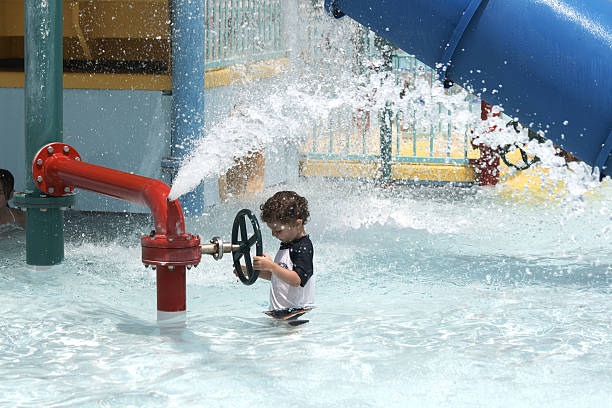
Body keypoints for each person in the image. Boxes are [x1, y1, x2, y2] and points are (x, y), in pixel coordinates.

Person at [235, 191, 315, 311]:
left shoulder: (303, 248)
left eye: (278, 231)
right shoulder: (287, 244)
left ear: (297, 224)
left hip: (296, 314)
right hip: (282, 313)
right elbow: (279, 278)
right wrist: (251, 272)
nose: (273, 234)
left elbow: (296, 280)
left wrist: (272, 266)